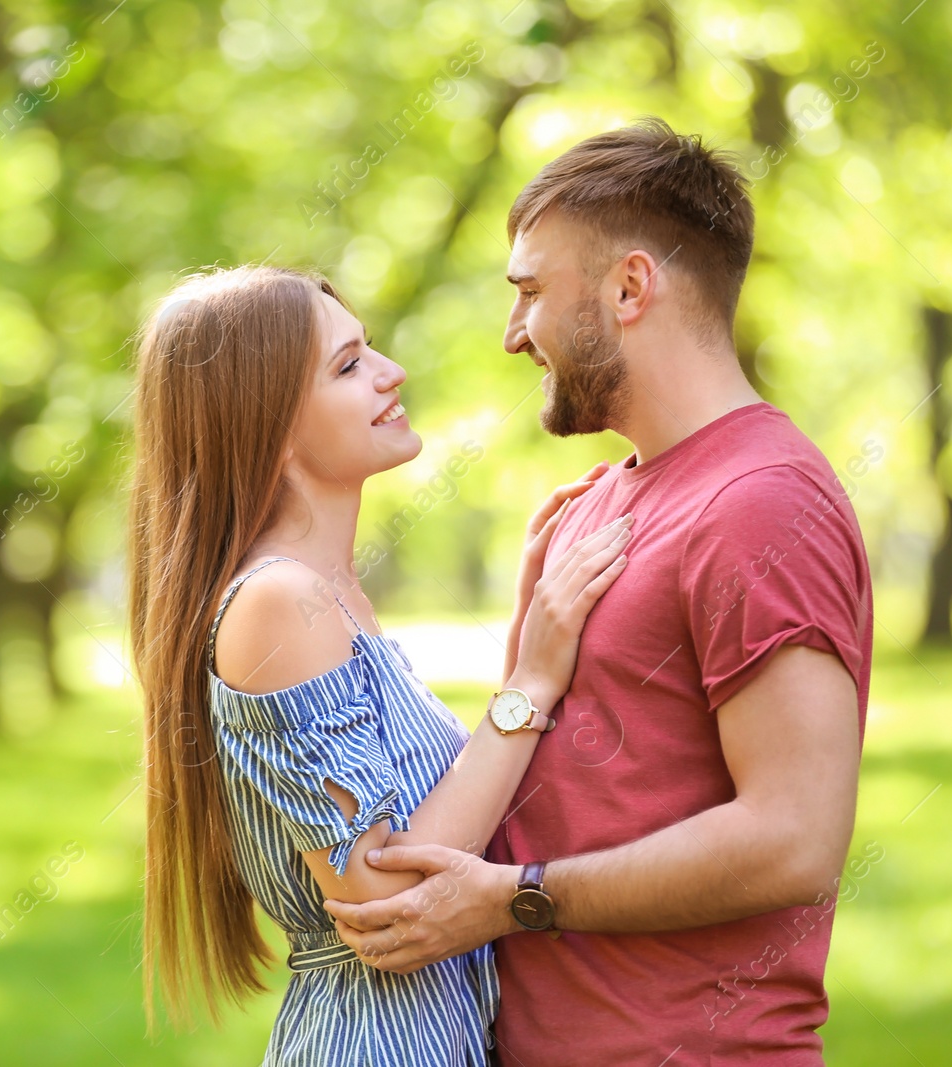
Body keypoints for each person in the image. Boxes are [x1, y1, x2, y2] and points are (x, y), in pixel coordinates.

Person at [325, 117, 875, 1065]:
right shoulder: (586, 508)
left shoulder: (763, 504)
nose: (510, 336)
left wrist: (516, 896)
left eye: (529, 292)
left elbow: (794, 837)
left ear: (629, 286)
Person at [127, 263, 631, 1065]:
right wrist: (531, 681)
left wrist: (526, 636)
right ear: (271, 423)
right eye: (350, 364)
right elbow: (392, 899)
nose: (392, 371)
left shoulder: (329, 595)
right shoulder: (277, 604)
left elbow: (427, 820)